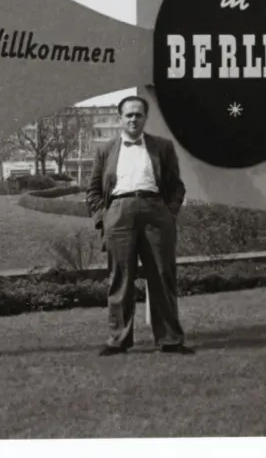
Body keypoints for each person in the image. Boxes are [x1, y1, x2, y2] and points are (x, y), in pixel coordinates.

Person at [86, 95, 193, 355]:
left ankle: (169, 340)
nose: (134, 119)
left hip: (155, 212)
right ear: (120, 118)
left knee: (162, 275)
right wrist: (104, 218)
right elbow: (93, 191)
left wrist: (168, 213)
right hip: (119, 214)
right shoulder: (105, 150)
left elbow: (177, 187)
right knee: (120, 278)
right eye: (129, 115)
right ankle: (118, 340)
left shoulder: (162, 147)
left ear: (145, 118)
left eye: (138, 114)